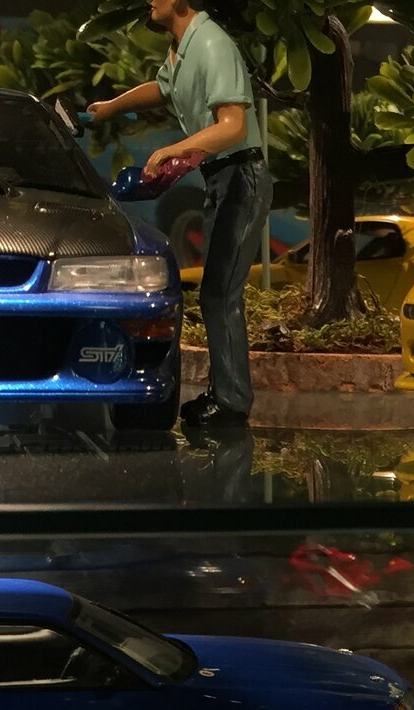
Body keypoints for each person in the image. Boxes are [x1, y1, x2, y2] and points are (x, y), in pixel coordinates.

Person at [91, 0, 271, 428]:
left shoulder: (211, 44)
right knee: (216, 292)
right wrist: (112, 106)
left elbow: (233, 126)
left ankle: (231, 402)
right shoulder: (181, 47)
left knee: (220, 294)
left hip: (241, 176)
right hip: (221, 177)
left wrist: (175, 148)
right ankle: (225, 394)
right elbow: (163, 87)